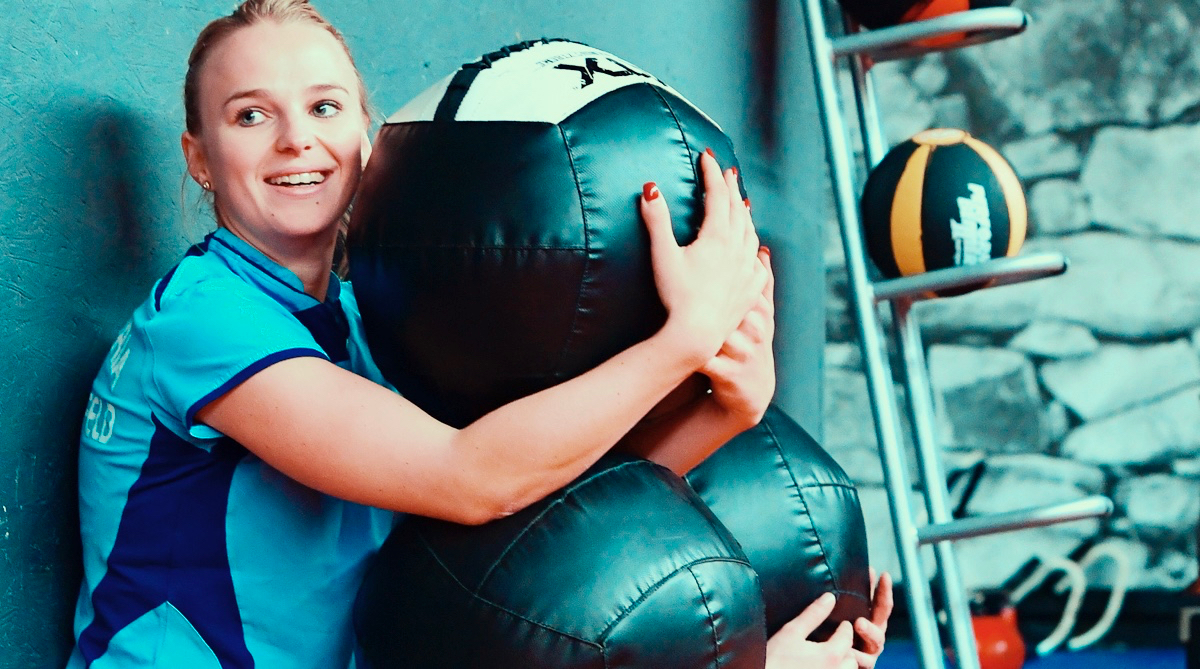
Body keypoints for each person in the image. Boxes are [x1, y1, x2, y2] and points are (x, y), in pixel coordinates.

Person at [67, 1, 891, 667]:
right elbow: (470, 480)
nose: (296, 139)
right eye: (251, 115)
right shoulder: (202, 319)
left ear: (367, 136)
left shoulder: (367, 319)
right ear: (200, 157)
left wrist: (731, 408)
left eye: (324, 107)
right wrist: (683, 339)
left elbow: (539, 510)